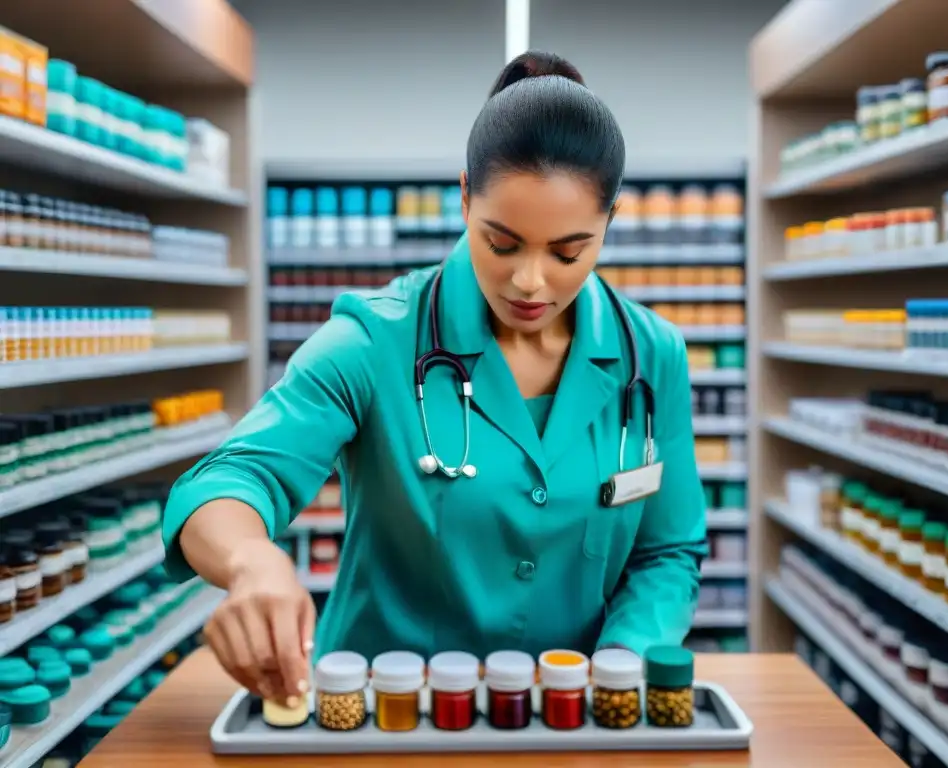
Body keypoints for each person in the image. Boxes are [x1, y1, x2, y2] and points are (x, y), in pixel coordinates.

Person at [161, 51, 708, 706]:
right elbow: (230, 477)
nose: (531, 281)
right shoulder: (376, 340)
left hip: (563, 722)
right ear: (464, 198)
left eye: (569, 251)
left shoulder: (653, 356)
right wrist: (253, 563)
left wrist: (619, 667)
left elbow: (666, 552)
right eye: (502, 242)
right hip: (382, 720)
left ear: (609, 224)